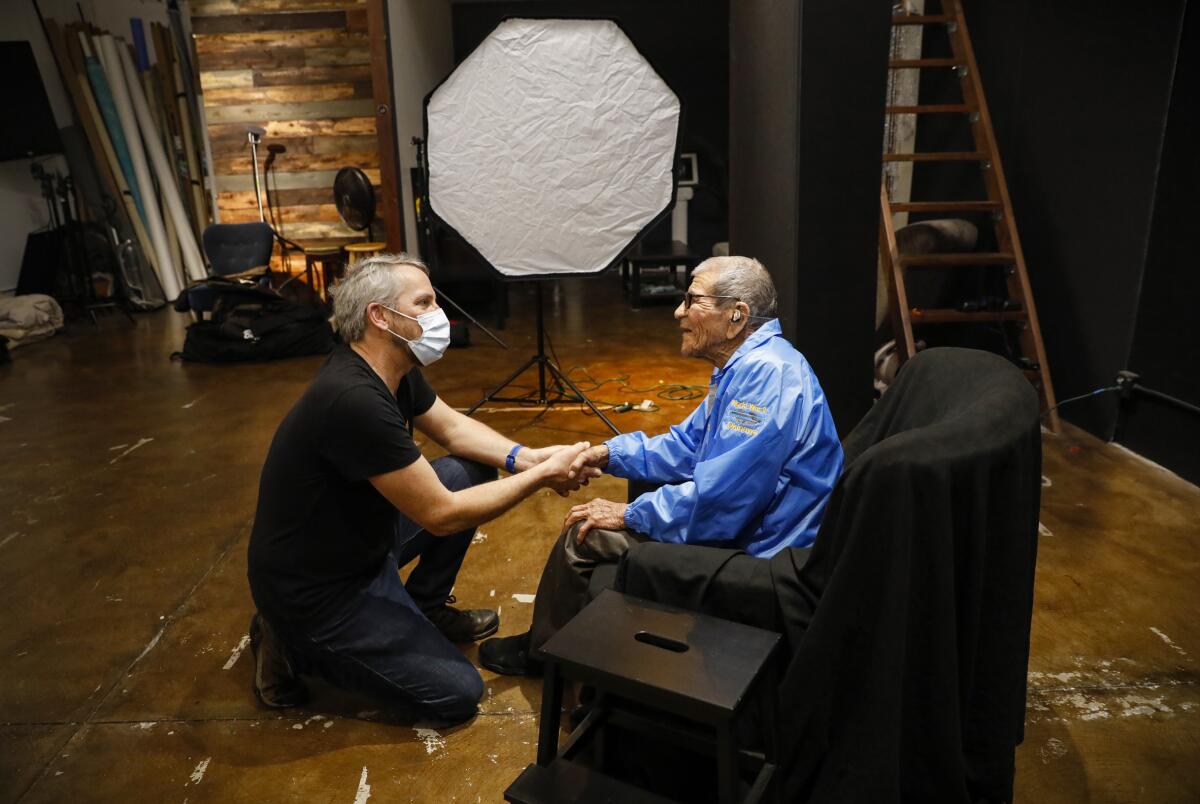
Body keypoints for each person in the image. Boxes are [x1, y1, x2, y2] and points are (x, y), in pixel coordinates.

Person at [246, 253, 593, 724]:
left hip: (359, 544)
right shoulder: (353, 399)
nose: (438, 315)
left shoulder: (391, 370)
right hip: (319, 593)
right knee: (456, 692)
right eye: (424, 302)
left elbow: (451, 429)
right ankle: (289, 643)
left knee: (470, 468)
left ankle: (424, 608)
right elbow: (441, 514)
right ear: (380, 316)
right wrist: (540, 478)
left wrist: (525, 457)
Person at [479, 256, 844, 675]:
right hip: (751, 525)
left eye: (692, 300)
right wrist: (609, 454)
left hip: (761, 553)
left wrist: (629, 513)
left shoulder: (765, 377)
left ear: (736, 316)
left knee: (583, 537)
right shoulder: (749, 365)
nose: (679, 312)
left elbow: (722, 502)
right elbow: (688, 445)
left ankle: (543, 657)